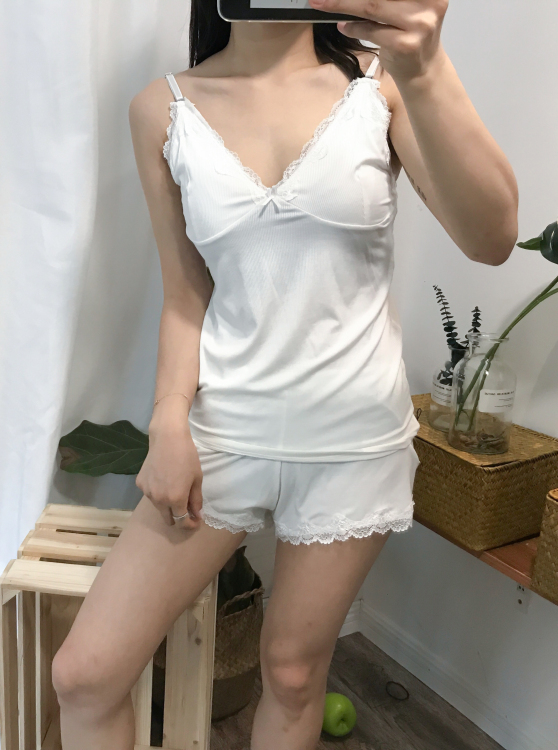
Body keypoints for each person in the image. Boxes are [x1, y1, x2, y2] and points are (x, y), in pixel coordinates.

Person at [51, 1, 518, 748]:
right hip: (224, 430)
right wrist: (169, 420)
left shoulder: (381, 86)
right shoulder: (161, 110)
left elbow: (492, 239)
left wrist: (426, 66)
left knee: (295, 675)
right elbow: (185, 293)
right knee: (85, 675)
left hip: (352, 441)